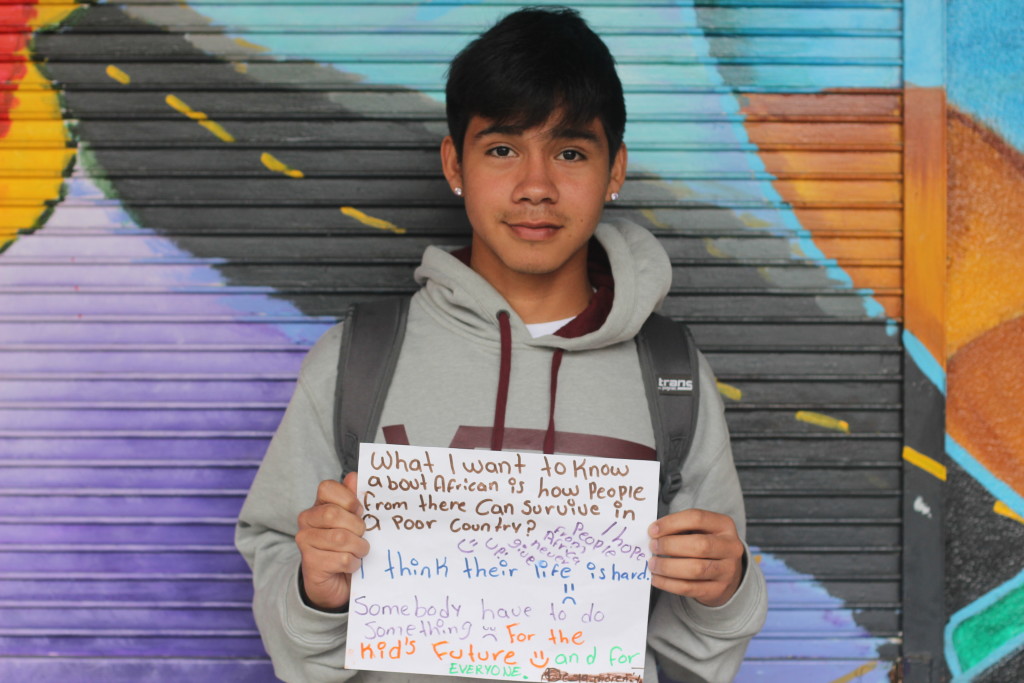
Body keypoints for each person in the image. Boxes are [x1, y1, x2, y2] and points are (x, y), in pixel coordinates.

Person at [235, 6, 767, 682]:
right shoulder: (359, 360)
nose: (535, 187)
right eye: (502, 149)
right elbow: (280, 575)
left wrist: (725, 588)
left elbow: (699, 654)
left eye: (570, 152)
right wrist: (314, 591)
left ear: (615, 170)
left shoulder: (672, 376)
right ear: (454, 163)